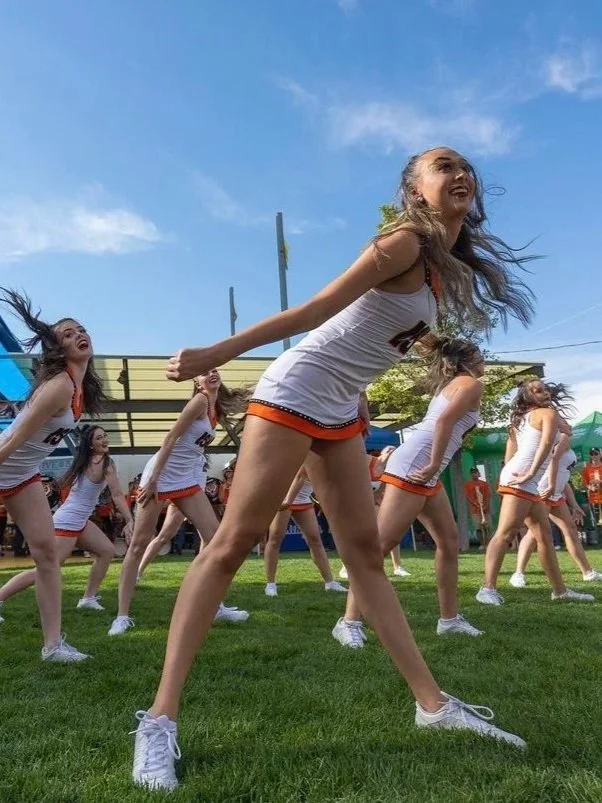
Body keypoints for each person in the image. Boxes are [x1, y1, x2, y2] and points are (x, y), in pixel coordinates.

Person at [131, 146, 537, 791]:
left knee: (366, 557)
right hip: (294, 392)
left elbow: (380, 335)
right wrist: (218, 351)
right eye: (442, 166)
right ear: (415, 191)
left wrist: (417, 358)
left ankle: (433, 706)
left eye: (465, 166)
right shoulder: (403, 242)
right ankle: (157, 721)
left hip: (340, 409)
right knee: (233, 543)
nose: (460, 174)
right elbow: (311, 315)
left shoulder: (438, 268)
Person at [333, 338, 485, 648]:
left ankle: (449, 620)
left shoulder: (454, 384)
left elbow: (445, 425)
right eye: (479, 355)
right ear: (464, 361)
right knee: (381, 546)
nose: (483, 360)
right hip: (417, 467)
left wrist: (433, 466)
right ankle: (347, 622)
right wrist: (431, 464)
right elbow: (443, 422)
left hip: (423, 468)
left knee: (449, 541)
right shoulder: (470, 383)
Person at [0, 290, 106, 660]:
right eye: (67, 333)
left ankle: (52, 646)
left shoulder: (77, 388)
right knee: (48, 556)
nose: (79, 334)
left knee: (47, 556)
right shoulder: (59, 385)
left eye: (81, 328)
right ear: (57, 349)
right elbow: (13, 435)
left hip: (21, 474)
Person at [109, 370, 250, 636]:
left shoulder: (214, 407)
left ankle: (214, 605)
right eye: (204, 373)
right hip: (160, 476)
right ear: (196, 382)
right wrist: (151, 482)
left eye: (214, 370)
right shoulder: (198, 402)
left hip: (186, 478)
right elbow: (170, 439)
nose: (211, 374)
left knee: (216, 539)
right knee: (139, 544)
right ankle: (122, 616)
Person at [476, 380, 594, 606]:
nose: (545, 393)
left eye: (545, 389)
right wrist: (527, 473)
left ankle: (560, 591)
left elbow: (511, 454)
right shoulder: (546, 414)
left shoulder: (522, 420)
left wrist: (511, 476)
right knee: (506, 533)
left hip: (524, 480)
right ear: (527, 397)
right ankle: (487, 588)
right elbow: (547, 443)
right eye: (537, 391)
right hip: (522, 480)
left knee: (544, 536)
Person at [0, 426, 134, 613]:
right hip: (68, 521)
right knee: (48, 569)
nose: (104, 440)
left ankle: (88, 598)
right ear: (90, 445)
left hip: (78, 520)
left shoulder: (85, 461)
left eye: (105, 436)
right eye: (99, 438)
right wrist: (130, 519)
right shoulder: (105, 463)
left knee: (106, 551)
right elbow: (117, 494)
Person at [509, 434, 602, 587]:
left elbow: (564, 479)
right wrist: (551, 486)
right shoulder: (560, 436)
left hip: (556, 495)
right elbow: (553, 460)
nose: (568, 425)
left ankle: (587, 572)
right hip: (544, 491)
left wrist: (575, 506)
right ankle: (518, 573)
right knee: (533, 534)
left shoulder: (566, 439)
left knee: (571, 530)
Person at [263, 465, 347, 596]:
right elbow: (300, 476)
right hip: (285, 497)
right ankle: (270, 584)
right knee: (275, 540)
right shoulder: (308, 452)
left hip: (303, 499)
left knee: (315, 541)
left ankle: (330, 583)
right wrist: (287, 501)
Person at [339, 446, 409, 579]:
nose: (391, 454)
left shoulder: (392, 469)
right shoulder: (367, 461)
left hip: (377, 500)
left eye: (394, 453)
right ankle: (346, 567)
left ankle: (397, 567)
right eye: (389, 451)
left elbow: (383, 489)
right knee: (355, 533)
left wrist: (378, 497)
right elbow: (352, 480)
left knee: (390, 530)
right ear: (381, 452)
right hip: (357, 499)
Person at [137, 459, 209, 581]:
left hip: (195, 500)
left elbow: (200, 485)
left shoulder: (200, 459)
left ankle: (199, 575)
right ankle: (138, 571)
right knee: (163, 537)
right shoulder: (184, 458)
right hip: (181, 500)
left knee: (207, 537)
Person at [464, 467, 491, 550]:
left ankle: (489, 543)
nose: (474, 474)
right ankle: (482, 544)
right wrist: (476, 504)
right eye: (472, 473)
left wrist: (485, 505)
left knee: (487, 527)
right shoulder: (467, 484)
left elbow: (488, 495)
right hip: (475, 510)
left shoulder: (484, 484)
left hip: (485, 509)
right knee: (478, 528)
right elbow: (468, 496)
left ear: (478, 473)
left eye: (476, 472)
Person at [581, 448, 602, 528]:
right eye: (592, 454)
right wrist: (590, 487)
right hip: (594, 499)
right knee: (597, 522)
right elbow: (585, 483)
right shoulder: (586, 469)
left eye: (596, 454)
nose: (594, 456)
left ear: (600, 455)